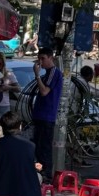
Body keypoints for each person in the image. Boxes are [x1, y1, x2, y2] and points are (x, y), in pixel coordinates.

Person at [0, 112, 43, 196]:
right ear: (20, 126)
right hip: (28, 193)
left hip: (0, 191)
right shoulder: (31, 145)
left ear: (2, 127)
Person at [31, 47, 62, 180]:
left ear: (51, 58)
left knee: (44, 147)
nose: (41, 62)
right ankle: (42, 173)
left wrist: (37, 75)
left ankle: (46, 174)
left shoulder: (54, 72)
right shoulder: (48, 73)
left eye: (43, 59)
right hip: (40, 115)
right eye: (39, 59)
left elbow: (44, 91)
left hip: (46, 116)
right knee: (38, 147)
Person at [0, 52, 20, 117]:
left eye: (0, 64)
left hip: (4, 106)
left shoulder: (8, 74)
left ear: (3, 64)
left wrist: (8, 87)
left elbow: (18, 89)